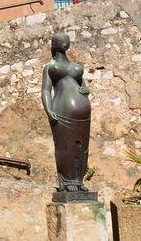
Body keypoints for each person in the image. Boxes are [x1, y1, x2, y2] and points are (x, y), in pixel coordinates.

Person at [40, 33, 92, 193]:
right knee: (65, 146)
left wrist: (86, 88)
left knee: (82, 147)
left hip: (83, 114)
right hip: (62, 111)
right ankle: (67, 180)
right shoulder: (50, 67)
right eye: (60, 41)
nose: (64, 42)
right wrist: (48, 110)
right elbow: (45, 91)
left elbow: (83, 85)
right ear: (54, 44)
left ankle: (78, 180)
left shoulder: (76, 67)